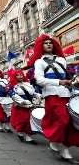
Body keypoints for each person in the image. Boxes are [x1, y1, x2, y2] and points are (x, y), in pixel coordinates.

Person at [29, 34, 79, 162]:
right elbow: (39, 79)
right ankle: (54, 141)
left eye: (50, 43)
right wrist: (58, 82)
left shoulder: (62, 60)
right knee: (62, 121)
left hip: (66, 94)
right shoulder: (39, 61)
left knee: (71, 123)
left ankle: (65, 149)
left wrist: (71, 82)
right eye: (45, 43)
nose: (49, 45)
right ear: (41, 46)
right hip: (52, 94)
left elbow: (67, 76)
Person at [8, 70, 38, 145]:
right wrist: (22, 101)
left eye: (21, 75)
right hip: (20, 105)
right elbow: (13, 95)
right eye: (17, 75)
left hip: (30, 105)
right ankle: (20, 132)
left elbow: (33, 93)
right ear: (15, 77)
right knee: (22, 121)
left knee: (30, 121)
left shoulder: (28, 84)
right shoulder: (13, 86)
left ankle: (28, 137)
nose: (20, 76)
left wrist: (39, 96)